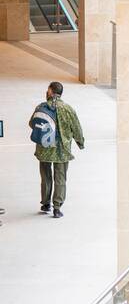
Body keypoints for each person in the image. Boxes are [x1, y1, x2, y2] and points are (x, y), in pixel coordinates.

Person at [30, 81, 85, 218]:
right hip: (62, 151)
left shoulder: (41, 107)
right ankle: (57, 207)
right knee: (60, 178)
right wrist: (80, 142)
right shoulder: (68, 109)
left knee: (46, 177)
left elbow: (32, 123)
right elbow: (76, 128)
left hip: (44, 149)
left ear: (50, 91)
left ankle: (45, 203)